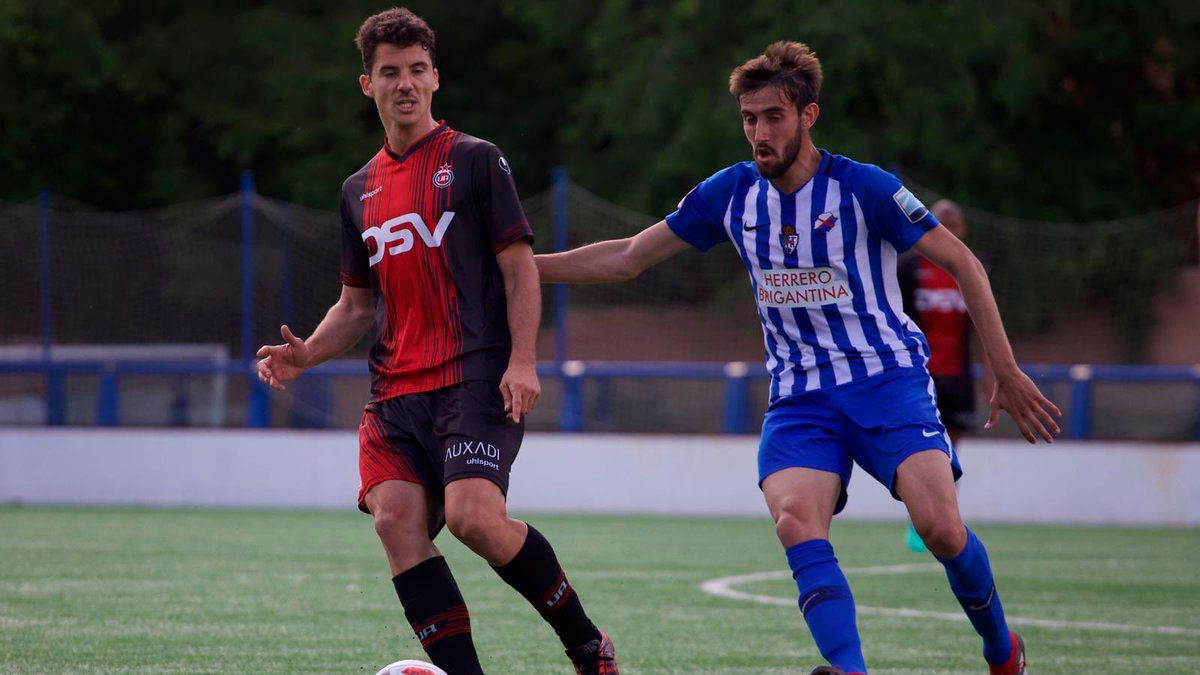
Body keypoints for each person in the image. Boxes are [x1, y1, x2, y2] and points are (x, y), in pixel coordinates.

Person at [535, 41, 1059, 675]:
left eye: (773, 117)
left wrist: (1004, 369)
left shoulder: (866, 188)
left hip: (887, 381)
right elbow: (626, 258)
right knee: (793, 521)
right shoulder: (729, 194)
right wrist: (519, 269)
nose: (759, 131)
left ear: (809, 115)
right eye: (749, 118)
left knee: (943, 530)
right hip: (801, 399)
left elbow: (963, 263)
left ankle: (1003, 652)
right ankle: (851, 671)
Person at [255, 9, 617, 674]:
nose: (405, 84)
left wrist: (525, 359)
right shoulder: (356, 191)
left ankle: (586, 642)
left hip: (474, 377)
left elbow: (519, 270)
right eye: (390, 73)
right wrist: (306, 352)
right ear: (367, 84)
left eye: (417, 71)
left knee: (476, 516)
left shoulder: (476, 161)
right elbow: (356, 305)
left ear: (435, 78)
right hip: (396, 394)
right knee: (395, 520)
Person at [896, 199, 980, 553]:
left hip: (958, 375)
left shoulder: (971, 269)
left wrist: (992, 376)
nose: (947, 228)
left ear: (962, 229)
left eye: (953, 222)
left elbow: (980, 328)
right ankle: (919, 522)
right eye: (940, 221)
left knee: (952, 451)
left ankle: (946, 517)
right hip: (920, 375)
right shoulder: (909, 269)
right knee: (921, 451)